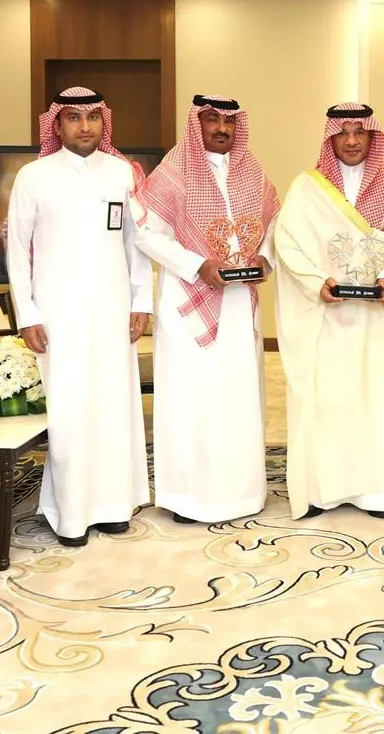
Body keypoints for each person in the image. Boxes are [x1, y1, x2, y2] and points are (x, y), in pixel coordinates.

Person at [6, 87, 154, 546]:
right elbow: (17, 250)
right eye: (73, 117)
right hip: (58, 313)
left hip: (113, 309)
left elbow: (136, 242)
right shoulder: (34, 176)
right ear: (57, 123)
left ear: (103, 122)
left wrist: (141, 301)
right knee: (69, 410)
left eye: (92, 117)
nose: (84, 126)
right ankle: (70, 513)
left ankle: (112, 506)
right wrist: (27, 313)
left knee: (113, 405)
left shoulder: (122, 173)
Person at [132, 95, 280, 524]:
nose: (221, 128)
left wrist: (266, 258)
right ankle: (189, 498)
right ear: (196, 124)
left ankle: (242, 493)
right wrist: (198, 265)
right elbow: (146, 233)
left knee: (239, 395)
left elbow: (275, 224)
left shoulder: (253, 172)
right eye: (211, 120)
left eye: (228, 121)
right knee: (192, 398)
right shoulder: (173, 173)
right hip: (188, 304)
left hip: (240, 303)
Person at [273, 103, 384, 519]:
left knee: (379, 403)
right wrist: (316, 283)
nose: (352, 141)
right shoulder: (307, 188)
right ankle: (322, 492)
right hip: (329, 319)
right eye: (343, 133)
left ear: (373, 137)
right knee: (330, 403)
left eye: (360, 132)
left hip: (379, 320)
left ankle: (378, 493)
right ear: (331, 138)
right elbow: (287, 244)